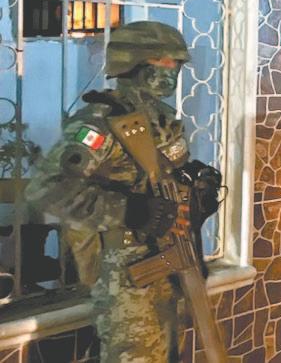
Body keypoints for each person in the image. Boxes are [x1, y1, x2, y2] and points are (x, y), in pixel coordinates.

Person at [25, 21, 203, 362]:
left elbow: (168, 177)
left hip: (168, 259)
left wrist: (197, 190)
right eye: (161, 61)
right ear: (132, 63)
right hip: (123, 270)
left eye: (176, 63)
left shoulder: (163, 121)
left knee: (169, 353)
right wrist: (129, 210)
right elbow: (47, 189)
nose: (171, 70)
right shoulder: (100, 123)